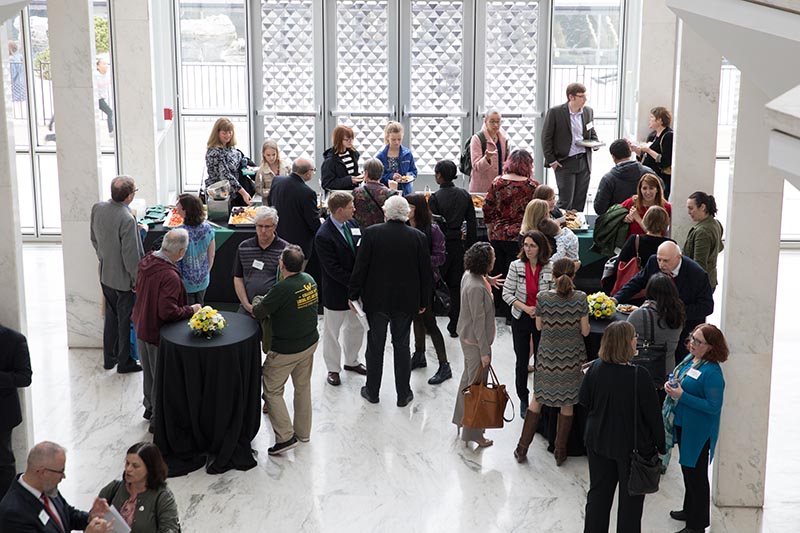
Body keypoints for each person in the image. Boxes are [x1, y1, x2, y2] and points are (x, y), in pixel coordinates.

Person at [579, 322, 666, 533]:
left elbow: (584, 401)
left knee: (598, 495)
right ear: (626, 343)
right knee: (631, 505)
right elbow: (654, 417)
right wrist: (662, 447)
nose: (637, 340)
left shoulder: (595, 368)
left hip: (598, 441)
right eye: (634, 337)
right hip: (631, 447)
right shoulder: (639, 375)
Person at [348, 196, 431, 407]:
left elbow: (361, 267)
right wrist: (423, 300)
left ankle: (372, 391)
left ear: (386, 213)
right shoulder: (418, 236)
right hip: (406, 301)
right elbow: (425, 273)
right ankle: (403, 394)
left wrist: (353, 294)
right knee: (402, 345)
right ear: (406, 214)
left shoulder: (371, 233)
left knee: (375, 346)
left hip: (376, 300)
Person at [514, 258, 590, 465]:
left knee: (537, 399)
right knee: (567, 404)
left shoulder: (543, 298)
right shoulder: (581, 298)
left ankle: (522, 449)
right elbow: (585, 331)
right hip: (572, 358)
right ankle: (560, 452)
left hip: (547, 356)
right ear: (573, 277)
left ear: (553, 276)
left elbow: (538, 327)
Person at [252, 245, 320, 456]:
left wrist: (257, 299)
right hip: (309, 343)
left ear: (281, 265)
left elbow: (259, 310)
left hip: (286, 350)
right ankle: (303, 433)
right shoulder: (309, 280)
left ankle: (285, 436)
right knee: (302, 387)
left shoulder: (283, 288)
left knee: (272, 390)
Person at [132, 228, 201, 430]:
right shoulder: (169, 275)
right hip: (156, 332)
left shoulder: (147, 262)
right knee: (160, 377)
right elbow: (167, 312)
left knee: (149, 374)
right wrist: (192, 309)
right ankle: (157, 421)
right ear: (180, 252)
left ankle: (149, 408)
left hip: (141, 325)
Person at [664, 324, 728, 533]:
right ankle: (688, 508)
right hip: (684, 424)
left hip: (698, 431)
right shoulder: (692, 360)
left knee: (696, 475)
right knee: (687, 469)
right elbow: (681, 378)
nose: (692, 343)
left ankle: (697, 524)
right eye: (692, 338)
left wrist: (682, 395)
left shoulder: (712, 373)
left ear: (711, 347)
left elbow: (713, 407)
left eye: (698, 341)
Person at [613, 241, 714, 361]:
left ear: (678, 257)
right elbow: (637, 282)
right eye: (659, 259)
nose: (661, 264)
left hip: (683, 331)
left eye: (665, 261)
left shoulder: (697, 274)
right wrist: (616, 298)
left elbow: (707, 306)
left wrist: (676, 313)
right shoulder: (653, 262)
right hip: (655, 329)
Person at [90, 175, 145, 373]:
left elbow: (94, 238)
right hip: (123, 281)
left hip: (105, 275)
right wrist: (135, 279)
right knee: (124, 323)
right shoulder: (127, 218)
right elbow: (130, 256)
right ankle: (125, 362)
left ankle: (109, 358)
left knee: (111, 319)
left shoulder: (98, 208)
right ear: (129, 196)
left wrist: (104, 258)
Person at [314, 192, 367, 387]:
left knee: (355, 327)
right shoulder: (324, 235)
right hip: (336, 290)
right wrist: (355, 283)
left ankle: (351, 361)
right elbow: (332, 269)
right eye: (351, 206)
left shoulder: (352, 224)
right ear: (340, 210)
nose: (354, 209)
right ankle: (333, 369)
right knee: (332, 332)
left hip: (355, 290)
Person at [0, 441, 112, 532]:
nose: (63, 477)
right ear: (43, 472)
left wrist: (90, 517)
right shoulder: (14, 514)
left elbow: (67, 514)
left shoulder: (48, 488)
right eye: (60, 471)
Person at [482, 149, 539, 321]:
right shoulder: (532, 186)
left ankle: (498, 307)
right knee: (517, 274)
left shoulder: (497, 182)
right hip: (521, 236)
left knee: (498, 273)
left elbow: (487, 207)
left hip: (498, 234)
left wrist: (490, 228)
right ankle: (511, 312)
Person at [452, 242, 498, 448]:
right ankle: (473, 433)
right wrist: (485, 352)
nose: (495, 259)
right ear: (485, 262)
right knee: (477, 388)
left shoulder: (470, 276)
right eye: (492, 257)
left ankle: (461, 420)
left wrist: (488, 280)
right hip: (476, 343)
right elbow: (479, 322)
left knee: (467, 381)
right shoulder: (476, 288)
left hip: (467, 338)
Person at [503, 229, 554, 413]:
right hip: (521, 318)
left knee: (542, 361)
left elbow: (555, 292)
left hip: (543, 320)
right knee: (521, 361)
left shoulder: (550, 266)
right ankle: (523, 399)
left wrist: (540, 310)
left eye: (532, 246)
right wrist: (525, 308)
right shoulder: (515, 266)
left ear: (541, 248)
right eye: (525, 245)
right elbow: (506, 293)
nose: (528, 249)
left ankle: (539, 397)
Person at [428, 159, 478, 337]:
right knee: (456, 286)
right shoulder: (464, 195)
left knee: (434, 284)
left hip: (440, 246)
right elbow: (471, 223)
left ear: (439, 175)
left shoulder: (434, 198)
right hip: (458, 244)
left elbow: (432, 227)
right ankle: (454, 324)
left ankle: (430, 322)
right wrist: (470, 247)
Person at [406, 194, 451, 385]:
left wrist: (419, 261)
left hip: (427, 282)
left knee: (430, 323)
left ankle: (444, 364)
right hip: (409, 281)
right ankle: (419, 354)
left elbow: (440, 257)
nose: (407, 210)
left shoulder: (433, 229)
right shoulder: (405, 227)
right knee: (416, 317)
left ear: (418, 208)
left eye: (410, 207)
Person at [97, 442, 180, 533]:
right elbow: (91, 521)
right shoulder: (114, 488)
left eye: (135, 466)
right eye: (127, 463)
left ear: (149, 469)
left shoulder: (163, 497)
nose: (128, 469)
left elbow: (170, 529)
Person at [542, 82, 599, 211]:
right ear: (571, 97)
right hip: (565, 161)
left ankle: (576, 227)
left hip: (584, 160)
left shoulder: (588, 112)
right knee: (565, 200)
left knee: (580, 200)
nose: (585, 99)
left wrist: (595, 143)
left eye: (585, 96)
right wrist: (552, 161)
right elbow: (546, 138)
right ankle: (561, 228)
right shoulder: (556, 112)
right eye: (581, 96)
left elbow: (591, 131)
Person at [626, 273, 685, 384]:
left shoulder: (640, 315)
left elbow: (624, 339)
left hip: (644, 371)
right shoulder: (678, 313)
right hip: (668, 371)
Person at [601, 205, 673, 295]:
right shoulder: (670, 245)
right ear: (665, 223)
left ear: (646, 220)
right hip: (660, 292)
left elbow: (619, 264)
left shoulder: (635, 240)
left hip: (633, 292)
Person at [233, 206, 288, 317]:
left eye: (267, 227)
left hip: (275, 309)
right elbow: (238, 278)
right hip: (247, 307)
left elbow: (287, 283)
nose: (263, 231)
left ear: (275, 227)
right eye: (260, 226)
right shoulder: (244, 247)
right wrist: (247, 306)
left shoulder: (285, 250)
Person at [268, 157, 322, 261]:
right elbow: (313, 223)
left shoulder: (277, 180)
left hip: (277, 238)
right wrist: (320, 221)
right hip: (298, 246)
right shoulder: (308, 193)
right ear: (307, 173)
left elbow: (271, 203)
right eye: (313, 170)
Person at [0, 323, 32, 497]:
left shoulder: (14, 340)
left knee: (3, 462)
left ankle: (5, 502)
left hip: (3, 414)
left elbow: (25, 377)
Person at [593, 139, 656, 216]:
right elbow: (662, 194)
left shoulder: (608, 179)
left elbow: (599, 209)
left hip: (617, 224)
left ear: (613, 157)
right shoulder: (649, 173)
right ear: (630, 152)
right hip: (646, 221)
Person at [175, 194, 215, 305]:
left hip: (185, 282)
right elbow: (211, 255)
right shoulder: (208, 229)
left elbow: (174, 259)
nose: (176, 206)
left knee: (188, 311)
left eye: (178, 204)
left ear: (185, 210)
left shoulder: (179, 233)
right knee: (200, 309)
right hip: (203, 278)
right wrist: (205, 272)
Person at [205, 118, 252, 206]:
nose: (228, 135)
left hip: (234, 191)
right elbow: (225, 176)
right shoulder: (214, 152)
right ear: (217, 133)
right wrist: (243, 193)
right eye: (224, 133)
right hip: (220, 194)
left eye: (230, 132)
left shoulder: (230, 148)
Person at [630, 106, 673, 199]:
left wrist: (648, 150)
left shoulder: (668, 136)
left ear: (660, 120)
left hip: (660, 177)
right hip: (648, 174)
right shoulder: (652, 135)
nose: (650, 120)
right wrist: (636, 150)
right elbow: (646, 156)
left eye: (652, 117)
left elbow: (665, 160)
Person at [684, 191, 724, 291]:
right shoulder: (716, 223)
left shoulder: (702, 232)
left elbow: (699, 265)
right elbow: (720, 246)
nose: (689, 212)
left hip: (699, 285)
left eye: (691, 208)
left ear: (702, 207)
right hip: (710, 280)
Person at [468, 110, 510, 193]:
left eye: (498, 122)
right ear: (485, 121)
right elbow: (476, 167)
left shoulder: (504, 138)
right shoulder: (477, 138)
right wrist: (486, 159)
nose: (495, 125)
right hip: (481, 188)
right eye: (492, 121)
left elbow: (506, 163)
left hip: (499, 188)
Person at [352, 158, 399, 228]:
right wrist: (394, 190)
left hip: (362, 231)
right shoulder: (389, 193)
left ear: (366, 173)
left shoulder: (357, 192)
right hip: (382, 232)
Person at [620, 173, 671, 237]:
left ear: (657, 189)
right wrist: (624, 218)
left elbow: (656, 235)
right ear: (640, 189)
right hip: (633, 245)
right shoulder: (631, 203)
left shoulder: (666, 208)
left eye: (651, 188)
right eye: (644, 188)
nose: (648, 192)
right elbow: (614, 217)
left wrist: (638, 218)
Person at [375, 121, 418, 195]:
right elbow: (377, 177)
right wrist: (391, 176)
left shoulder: (407, 154)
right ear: (388, 137)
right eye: (393, 139)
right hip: (386, 192)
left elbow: (414, 171)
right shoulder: (380, 156)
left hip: (405, 191)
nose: (397, 142)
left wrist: (408, 176)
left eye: (399, 139)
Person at [321, 124, 363, 191]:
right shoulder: (330, 161)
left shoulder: (353, 154)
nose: (350, 142)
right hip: (339, 195)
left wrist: (359, 177)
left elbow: (352, 173)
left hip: (353, 191)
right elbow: (326, 183)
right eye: (347, 140)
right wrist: (349, 180)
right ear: (338, 140)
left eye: (352, 139)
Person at [94, 56, 114, 134]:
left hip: (100, 98)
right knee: (110, 112)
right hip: (96, 98)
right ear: (98, 66)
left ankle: (111, 131)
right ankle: (111, 131)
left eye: (106, 64)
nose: (106, 65)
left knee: (110, 112)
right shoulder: (95, 75)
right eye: (103, 64)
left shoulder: (107, 74)